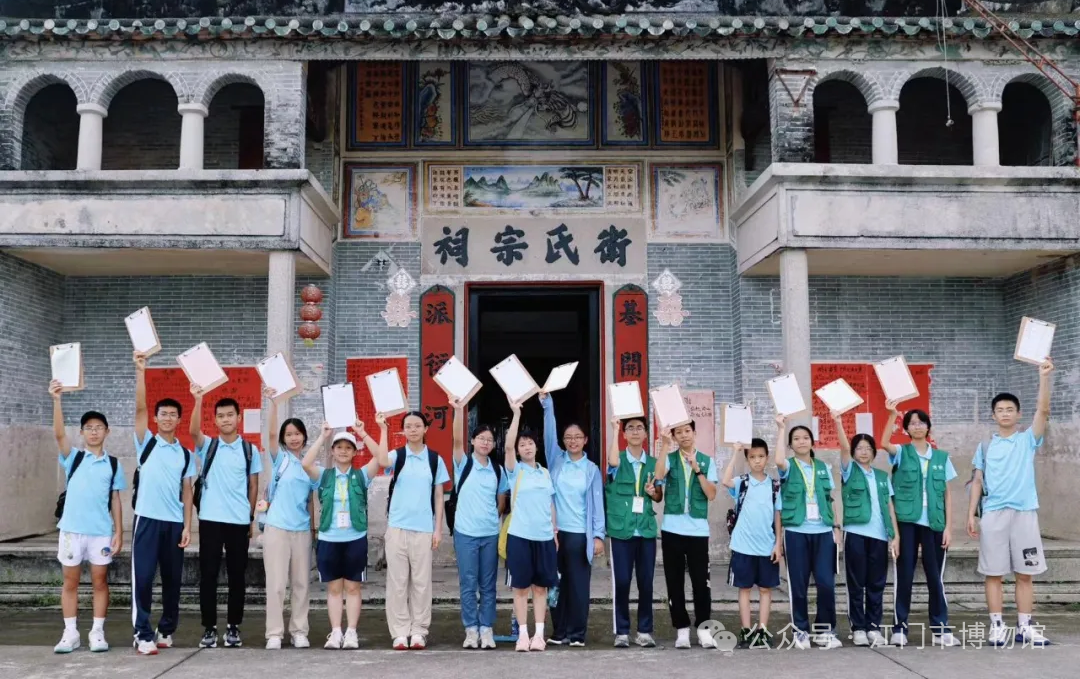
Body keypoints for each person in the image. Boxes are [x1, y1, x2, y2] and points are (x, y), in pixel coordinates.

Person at [967, 359, 1054, 647]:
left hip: (1024, 514)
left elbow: (1043, 410)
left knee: (1025, 573)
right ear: (993, 415)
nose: (1005, 413)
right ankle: (996, 626)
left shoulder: (1027, 440)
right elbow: (977, 481)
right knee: (993, 573)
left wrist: (1044, 377)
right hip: (993, 515)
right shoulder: (985, 446)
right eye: (1000, 410)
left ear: (1018, 414)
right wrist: (971, 515)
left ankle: (1025, 626)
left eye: (1009, 409)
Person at [49, 380, 126, 654]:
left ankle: (97, 632)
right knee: (70, 582)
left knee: (100, 581)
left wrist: (119, 532)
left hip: (100, 532)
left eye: (99, 427)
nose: (94, 431)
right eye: (89, 428)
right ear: (82, 432)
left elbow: (115, 499)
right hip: (72, 531)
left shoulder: (113, 463)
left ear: (107, 431)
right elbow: (59, 435)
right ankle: (70, 633)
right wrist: (56, 400)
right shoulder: (74, 458)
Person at [303, 417, 389, 650]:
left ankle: (351, 632)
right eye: (339, 447)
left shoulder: (361, 475)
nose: (343, 451)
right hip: (329, 539)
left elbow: (381, 457)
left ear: (354, 452)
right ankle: (335, 632)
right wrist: (323, 436)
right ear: (332, 451)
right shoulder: (324, 475)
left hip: (355, 539)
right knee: (333, 588)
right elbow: (306, 463)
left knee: (352, 587)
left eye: (348, 448)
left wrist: (363, 434)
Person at [131, 350, 196, 655]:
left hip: (174, 524)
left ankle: (166, 630)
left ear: (179, 420)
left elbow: (187, 491)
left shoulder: (185, 454)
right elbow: (139, 407)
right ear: (155, 418)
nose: (168, 418)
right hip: (146, 520)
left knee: (172, 582)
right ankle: (142, 633)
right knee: (143, 578)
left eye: (173, 414)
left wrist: (187, 526)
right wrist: (140, 371)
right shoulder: (146, 442)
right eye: (163, 414)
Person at [879, 401, 959, 647]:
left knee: (935, 577)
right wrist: (891, 415)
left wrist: (948, 527)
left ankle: (940, 629)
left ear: (928, 427)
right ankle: (899, 628)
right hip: (907, 521)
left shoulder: (941, 457)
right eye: (912, 423)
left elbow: (946, 494)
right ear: (906, 429)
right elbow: (883, 442)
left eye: (921, 422)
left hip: (934, 523)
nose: (917, 426)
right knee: (904, 574)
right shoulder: (902, 452)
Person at [189, 387, 263, 649]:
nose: (226, 419)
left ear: (238, 417)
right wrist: (198, 400)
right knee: (208, 575)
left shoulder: (249, 450)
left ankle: (233, 626)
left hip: (239, 521)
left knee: (237, 577)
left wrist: (250, 517)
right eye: (220, 416)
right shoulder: (209, 446)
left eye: (230, 415)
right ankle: (209, 628)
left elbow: (253, 485)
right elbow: (193, 432)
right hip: (210, 520)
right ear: (215, 420)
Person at [260, 387, 326, 650]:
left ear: (304, 437)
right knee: (276, 585)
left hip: (302, 531)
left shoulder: (312, 467)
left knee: (301, 584)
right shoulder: (280, 460)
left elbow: (311, 500)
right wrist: (274, 404)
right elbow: (270, 435)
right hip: (276, 528)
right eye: (289, 434)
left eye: (297, 433)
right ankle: (274, 633)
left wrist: (313, 530)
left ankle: (299, 630)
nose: (293, 438)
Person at [540, 392, 605, 648]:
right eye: (568, 437)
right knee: (556, 583)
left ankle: (577, 633)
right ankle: (559, 631)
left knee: (578, 586)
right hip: (555, 534)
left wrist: (598, 535)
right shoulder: (556, 461)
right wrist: (548, 405)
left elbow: (597, 505)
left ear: (585, 440)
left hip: (580, 535)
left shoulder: (591, 470)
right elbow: (548, 434)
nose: (573, 441)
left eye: (578, 437)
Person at [773, 414, 842, 650]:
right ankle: (800, 630)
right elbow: (778, 460)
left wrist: (836, 527)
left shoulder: (823, 467)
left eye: (805, 437)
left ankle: (825, 631)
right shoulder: (788, 467)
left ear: (812, 442)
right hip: (796, 532)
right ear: (791, 445)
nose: (801, 441)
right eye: (796, 439)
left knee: (826, 583)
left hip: (823, 532)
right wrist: (781, 428)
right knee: (798, 585)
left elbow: (830, 499)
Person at [385, 411, 450, 650]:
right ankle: (400, 632)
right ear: (403, 430)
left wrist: (438, 529)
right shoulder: (396, 456)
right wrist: (381, 429)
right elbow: (380, 461)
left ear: (425, 429)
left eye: (417, 426)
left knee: (421, 583)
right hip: (397, 527)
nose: (412, 430)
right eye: (408, 426)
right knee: (397, 582)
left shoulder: (434, 459)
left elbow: (439, 495)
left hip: (423, 529)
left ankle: (419, 631)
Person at [834, 414, 899, 648]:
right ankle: (858, 628)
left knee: (876, 584)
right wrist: (838, 422)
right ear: (853, 452)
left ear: (874, 452)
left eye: (868, 448)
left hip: (880, 536)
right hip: (856, 534)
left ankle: (873, 627)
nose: (864, 452)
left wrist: (895, 535)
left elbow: (889, 506)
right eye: (859, 448)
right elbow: (843, 447)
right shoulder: (849, 470)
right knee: (856, 583)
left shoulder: (882, 476)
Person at [449, 397, 509, 650]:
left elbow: (502, 500)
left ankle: (486, 628)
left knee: (488, 585)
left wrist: (492, 517)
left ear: (494, 444)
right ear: (473, 441)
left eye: (489, 439)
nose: (485, 442)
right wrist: (457, 410)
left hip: (490, 534)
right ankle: (471, 629)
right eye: (481, 438)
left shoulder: (498, 469)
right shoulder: (464, 463)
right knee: (468, 583)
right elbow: (456, 440)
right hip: (465, 533)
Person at [658, 420, 720, 649]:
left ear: (694, 432)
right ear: (674, 436)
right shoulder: (670, 458)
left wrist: (697, 469)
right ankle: (682, 629)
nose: (684, 435)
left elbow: (711, 494)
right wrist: (665, 445)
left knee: (701, 582)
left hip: (698, 531)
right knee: (674, 581)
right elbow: (658, 476)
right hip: (672, 529)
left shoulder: (706, 461)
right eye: (679, 432)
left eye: (687, 431)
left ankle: (704, 629)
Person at [504, 394, 558, 652]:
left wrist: (554, 531)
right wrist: (516, 414)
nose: (526, 447)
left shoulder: (545, 472)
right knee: (520, 588)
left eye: (530, 443)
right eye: (522, 444)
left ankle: (539, 635)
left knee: (540, 588)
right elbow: (507, 447)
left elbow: (550, 504)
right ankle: (522, 635)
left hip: (544, 538)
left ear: (536, 447)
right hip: (520, 537)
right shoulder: (515, 471)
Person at [605, 414, 662, 649]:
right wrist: (613, 429)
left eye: (640, 427)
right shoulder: (618, 460)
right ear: (624, 434)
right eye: (630, 428)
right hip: (621, 531)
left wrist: (652, 493)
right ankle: (622, 631)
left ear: (646, 434)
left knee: (646, 582)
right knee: (622, 581)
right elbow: (612, 462)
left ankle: (644, 631)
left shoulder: (653, 463)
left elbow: (659, 496)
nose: (636, 431)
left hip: (645, 530)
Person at [720, 438, 782, 649]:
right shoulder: (742, 482)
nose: (757, 460)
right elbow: (725, 480)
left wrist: (778, 544)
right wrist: (735, 452)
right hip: (743, 546)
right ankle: (746, 631)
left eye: (761, 456)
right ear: (747, 459)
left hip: (767, 546)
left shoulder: (775, 486)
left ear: (767, 458)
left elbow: (777, 516)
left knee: (765, 590)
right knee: (744, 589)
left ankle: (762, 631)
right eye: (752, 457)